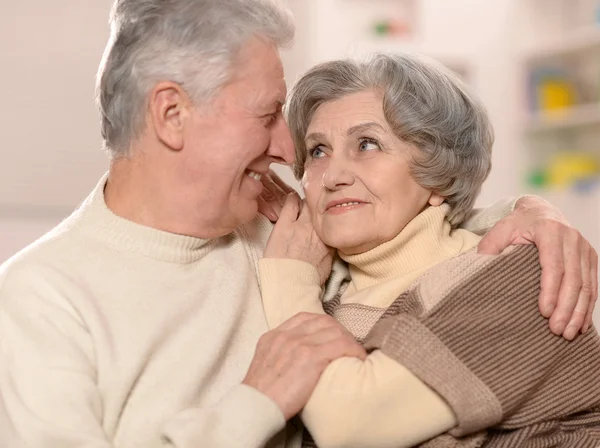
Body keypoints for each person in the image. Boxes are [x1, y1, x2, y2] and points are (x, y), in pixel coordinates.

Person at [0, 1, 596, 447]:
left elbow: (421, 231)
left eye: (365, 143)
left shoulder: (278, 237)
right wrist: (255, 403)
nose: (288, 150)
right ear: (172, 114)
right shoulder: (40, 300)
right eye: (269, 116)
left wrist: (531, 218)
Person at [259, 54, 600, 448]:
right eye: (318, 151)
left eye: (366, 144)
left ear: (439, 174)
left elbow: (349, 427)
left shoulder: (516, 272)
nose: (332, 176)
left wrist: (289, 277)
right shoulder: (331, 283)